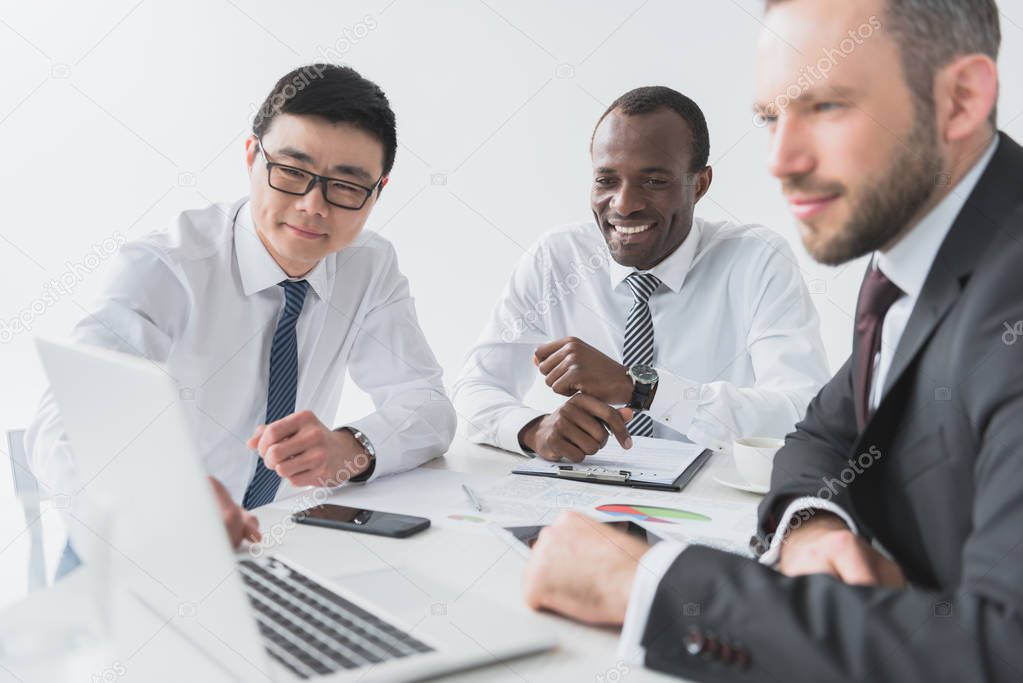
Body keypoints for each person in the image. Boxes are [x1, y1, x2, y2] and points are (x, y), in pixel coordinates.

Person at [523, 0, 1023, 679]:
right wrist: (812, 526)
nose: (780, 160)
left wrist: (647, 584)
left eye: (825, 107)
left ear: (960, 99)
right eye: (768, 117)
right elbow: (820, 435)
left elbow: (999, 652)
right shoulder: (913, 257)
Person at [27, 64, 456, 570]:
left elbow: (428, 406)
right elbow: (64, 423)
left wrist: (351, 447)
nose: (313, 206)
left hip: (270, 547)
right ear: (252, 157)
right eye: (292, 172)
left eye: (345, 186)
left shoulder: (368, 265)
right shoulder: (166, 267)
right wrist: (157, 511)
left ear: (377, 192)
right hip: (132, 551)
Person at [453, 86, 829, 462]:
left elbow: (803, 414)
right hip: (583, 496)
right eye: (606, 180)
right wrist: (534, 429)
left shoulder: (756, 260)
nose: (625, 204)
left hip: (710, 504)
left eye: (654, 182)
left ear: (699, 185)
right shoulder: (556, 257)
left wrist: (640, 389)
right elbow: (474, 388)